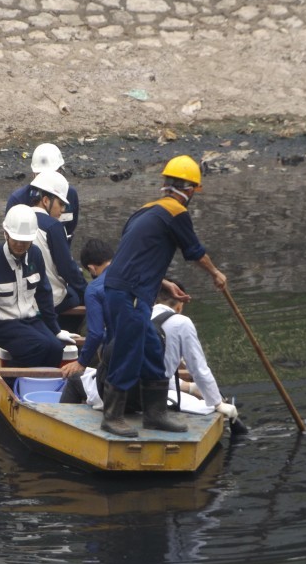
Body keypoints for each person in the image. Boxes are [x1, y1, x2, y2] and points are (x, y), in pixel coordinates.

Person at [102, 155, 227, 437]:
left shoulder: (145, 211)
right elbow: (194, 251)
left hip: (125, 290)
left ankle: (155, 414)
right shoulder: (175, 212)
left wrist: (165, 283)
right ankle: (112, 416)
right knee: (129, 350)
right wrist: (216, 274)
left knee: (151, 349)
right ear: (191, 189)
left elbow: (137, 255)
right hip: (130, 293)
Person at [0, 204, 77, 367]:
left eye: (25, 241)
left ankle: (42, 385)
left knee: (55, 347)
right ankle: (13, 382)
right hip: (0, 325)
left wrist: (56, 329)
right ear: (5, 234)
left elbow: (44, 293)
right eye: (16, 239)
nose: (20, 244)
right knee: (38, 346)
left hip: (29, 320)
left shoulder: (36, 255)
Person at [151, 281, 239, 423]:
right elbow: (198, 369)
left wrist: (190, 387)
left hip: (109, 393)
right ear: (180, 304)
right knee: (207, 407)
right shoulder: (181, 322)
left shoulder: (136, 315)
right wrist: (217, 403)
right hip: (149, 398)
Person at [27, 171, 88, 315]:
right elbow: (67, 268)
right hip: (49, 301)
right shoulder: (53, 226)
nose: (62, 210)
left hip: (22, 300)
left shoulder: (18, 218)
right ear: (46, 201)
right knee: (76, 294)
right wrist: (86, 290)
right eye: (60, 204)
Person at [60, 238, 114, 379]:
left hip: (118, 352)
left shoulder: (94, 289)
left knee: (74, 381)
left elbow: (96, 333)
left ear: (91, 268)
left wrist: (81, 362)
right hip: (148, 344)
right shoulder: (134, 275)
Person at [5, 143, 79, 244]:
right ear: (33, 174)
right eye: (42, 176)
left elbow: (70, 230)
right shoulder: (18, 200)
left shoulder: (70, 195)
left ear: (60, 173)